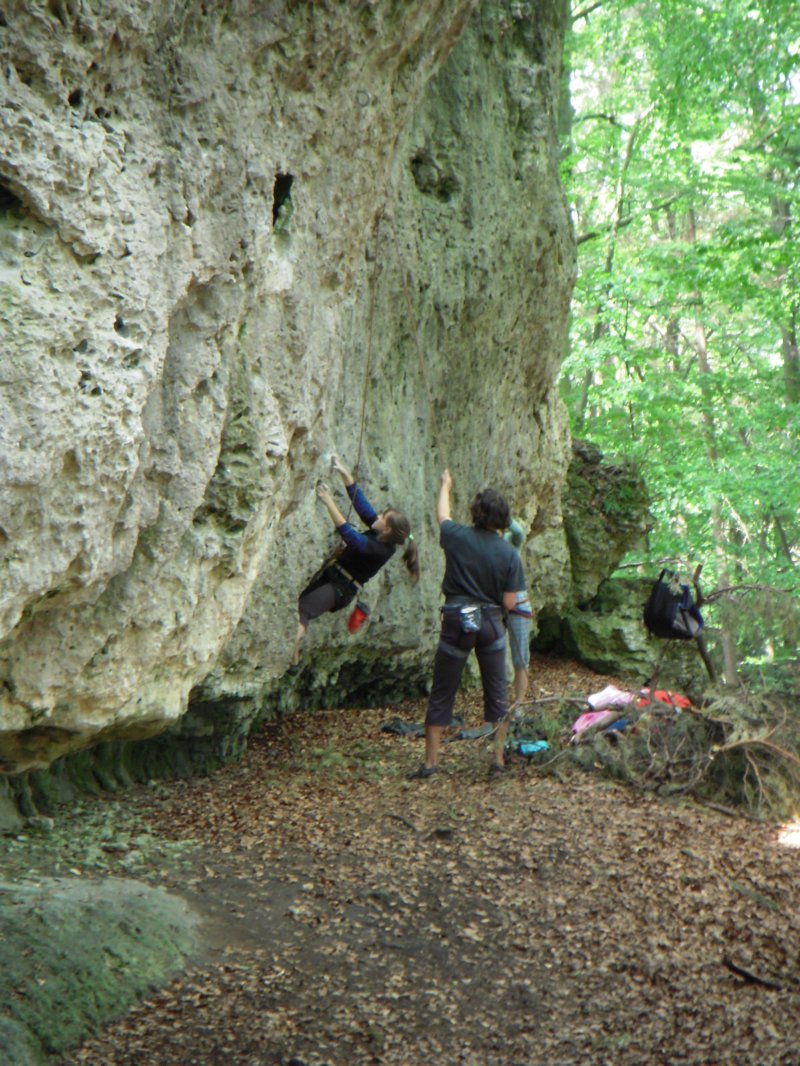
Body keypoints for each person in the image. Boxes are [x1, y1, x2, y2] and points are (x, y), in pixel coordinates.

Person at [410, 470, 526, 779]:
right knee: (497, 693)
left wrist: (445, 485)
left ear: (477, 513)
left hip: (457, 620)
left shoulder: (458, 536)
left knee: (442, 692)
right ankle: (498, 760)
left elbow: (442, 515)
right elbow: (511, 602)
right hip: (490, 623)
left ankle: (431, 764)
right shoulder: (509, 554)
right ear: (503, 518)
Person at [290, 455, 419, 670]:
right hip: (334, 578)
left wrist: (328, 501)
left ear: (386, 529)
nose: (376, 516)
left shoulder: (382, 549)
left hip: (340, 588)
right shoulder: (381, 533)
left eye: (381, 517)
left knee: (303, 611)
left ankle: (290, 656)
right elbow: (362, 506)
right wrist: (344, 472)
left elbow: (353, 538)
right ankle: (294, 658)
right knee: (300, 606)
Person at [504, 518, 534, 707]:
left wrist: (504, 517)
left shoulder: (510, 540)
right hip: (496, 607)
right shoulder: (484, 542)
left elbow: (519, 534)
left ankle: (519, 704)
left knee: (520, 658)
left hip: (519, 607)